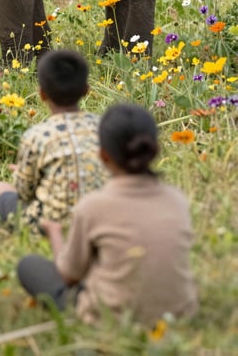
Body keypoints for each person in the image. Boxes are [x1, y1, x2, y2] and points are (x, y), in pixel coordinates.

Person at [17, 103, 198, 326]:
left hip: (111, 318)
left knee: (29, 265)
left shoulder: (92, 207)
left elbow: (68, 274)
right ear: (154, 150)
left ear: (103, 155)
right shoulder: (177, 200)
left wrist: (54, 232)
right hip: (178, 314)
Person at [0, 49, 105, 230]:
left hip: (50, 224)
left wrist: (21, 172)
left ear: (42, 93)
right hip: (100, 219)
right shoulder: (104, 129)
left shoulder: (35, 136)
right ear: (86, 90)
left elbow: (24, 193)